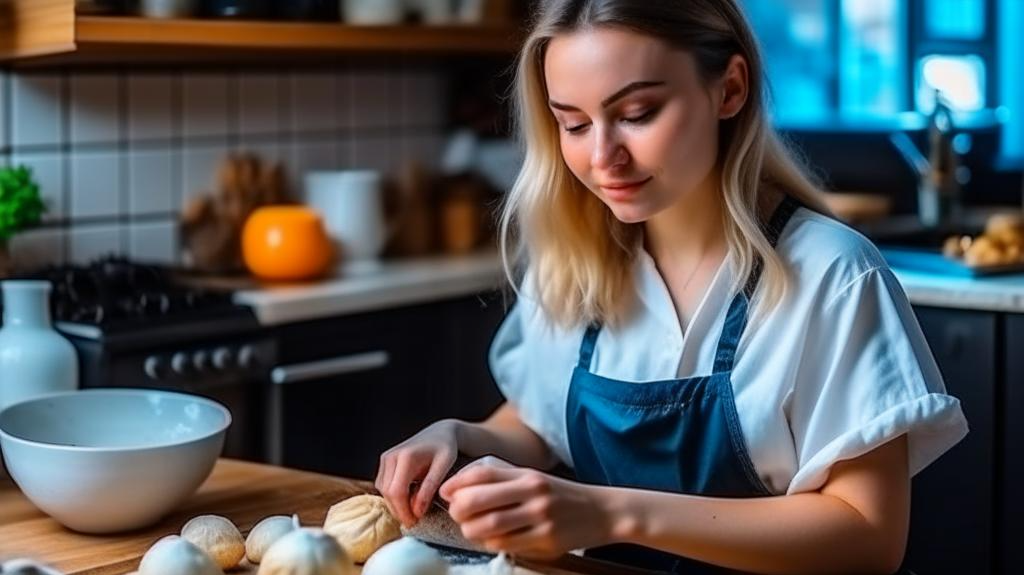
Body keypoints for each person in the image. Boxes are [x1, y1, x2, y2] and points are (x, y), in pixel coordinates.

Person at [375, 1, 968, 573]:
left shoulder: (833, 274)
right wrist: (462, 437)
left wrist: (612, 513)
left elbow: (868, 536)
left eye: (636, 114)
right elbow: (536, 419)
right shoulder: (574, 261)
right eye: (573, 124)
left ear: (729, 89)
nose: (603, 156)